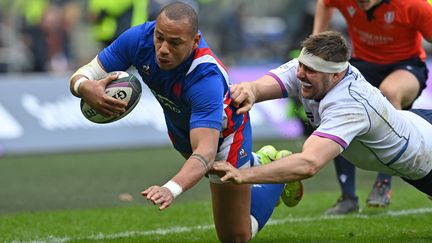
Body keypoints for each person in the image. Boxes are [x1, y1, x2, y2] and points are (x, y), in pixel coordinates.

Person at [68, 2, 302, 242]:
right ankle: (256, 161)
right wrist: (85, 87)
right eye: (160, 38)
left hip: (224, 138)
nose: (163, 49)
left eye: (175, 43)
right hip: (181, 128)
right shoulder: (139, 38)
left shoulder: (206, 78)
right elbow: (86, 72)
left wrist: (170, 188)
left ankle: (277, 177)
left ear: (194, 41)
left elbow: (206, 152)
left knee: (235, 237)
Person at [212, 31, 432, 206]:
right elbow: (259, 86)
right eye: (300, 65)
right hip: (416, 123)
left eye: (310, 71)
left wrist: (244, 174)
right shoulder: (311, 66)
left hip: (425, 156)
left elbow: (309, 164)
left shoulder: (350, 105)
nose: (299, 74)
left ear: (336, 75)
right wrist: (250, 89)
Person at [312, 0, 432, 214]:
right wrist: (315, 40)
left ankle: (383, 183)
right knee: (337, 109)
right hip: (363, 65)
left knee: (389, 92)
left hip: (407, 66)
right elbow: (324, 3)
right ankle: (348, 197)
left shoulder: (413, 5)